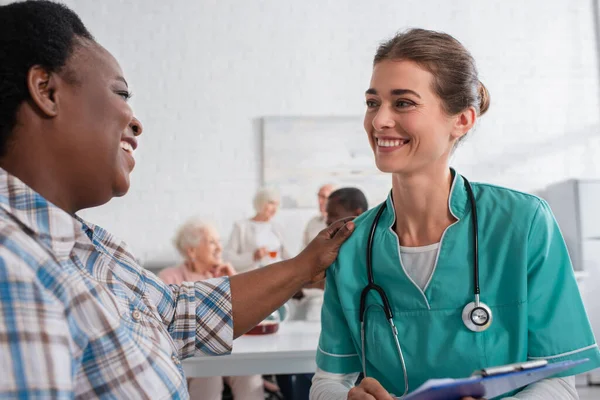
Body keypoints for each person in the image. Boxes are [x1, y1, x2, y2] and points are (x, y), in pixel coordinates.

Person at [0, 2, 354, 398]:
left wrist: (305, 265)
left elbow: (177, 313)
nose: (135, 122)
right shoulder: (12, 267)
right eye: (120, 93)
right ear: (46, 91)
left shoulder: (89, 248)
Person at [310, 28, 599, 400]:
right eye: (372, 102)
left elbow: (559, 382)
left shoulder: (523, 224)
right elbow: (329, 380)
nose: (379, 120)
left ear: (462, 120)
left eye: (403, 103)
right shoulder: (351, 245)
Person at [159, 218, 263, 400]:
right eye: (212, 242)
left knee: (248, 370)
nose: (220, 248)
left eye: (219, 242)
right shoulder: (170, 278)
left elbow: (255, 314)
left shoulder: (224, 275)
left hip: (231, 352)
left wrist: (234, 281)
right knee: (208, 374)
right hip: (190, 357)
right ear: (191, 251)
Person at [224, 187, 291, 272]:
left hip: (277, 275)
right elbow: (227, 258)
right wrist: (253, 256)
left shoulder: (277, 227)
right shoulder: (241, 227)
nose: (275, 209)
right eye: (271, 203)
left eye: (277, 205)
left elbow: (287, 257)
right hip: (254, 277)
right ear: (260, 203)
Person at [302, 184, 336, 248]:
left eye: (324, 197)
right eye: (319, 196)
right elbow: (302, 250)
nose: (320, 201)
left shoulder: (343, 224)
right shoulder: (312, 222)